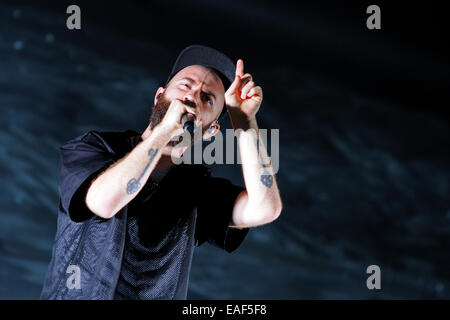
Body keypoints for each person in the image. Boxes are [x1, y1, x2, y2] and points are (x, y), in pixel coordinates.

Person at [40, 45, 282, 300]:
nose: (193, 97)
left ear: (211, 131)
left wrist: (244, 121)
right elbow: (104, 203)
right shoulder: (95, 148)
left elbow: (265, 208)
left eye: (207, 98)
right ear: (159, 97)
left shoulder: (196, 189)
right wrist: (164, 131)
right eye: (186, 86)